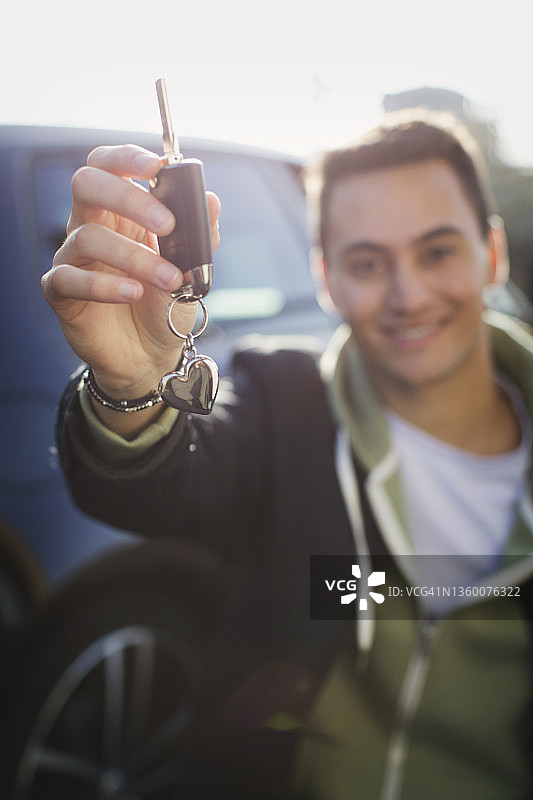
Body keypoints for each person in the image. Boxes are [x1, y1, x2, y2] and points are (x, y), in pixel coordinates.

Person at [43, 111, 533, 799]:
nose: (408, 296)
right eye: (367, 263)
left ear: (492, 254)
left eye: (437, 252)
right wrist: (131, 386)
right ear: (326, 277)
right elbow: (152, 486)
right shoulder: (283, 401)